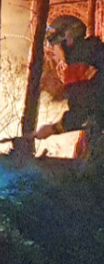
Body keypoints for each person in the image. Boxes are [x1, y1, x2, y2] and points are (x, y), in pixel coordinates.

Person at [34, 15, 104, 163]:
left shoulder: (78, 64)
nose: (54, 51)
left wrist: (52, 129)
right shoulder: (95, 52)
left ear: (68, 39)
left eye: (55, 44)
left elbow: (80, 112)